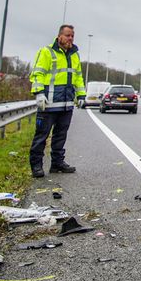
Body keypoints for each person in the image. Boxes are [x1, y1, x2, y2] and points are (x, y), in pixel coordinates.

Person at [28, 24, 87, 178]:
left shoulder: (74, 55)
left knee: (61, 135)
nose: (70, 38)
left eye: (72, 35)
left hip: (66, 104)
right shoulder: (47, 52)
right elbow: (37, 74)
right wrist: (39, 93)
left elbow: (78, 76)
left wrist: (81, 95)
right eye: (67, 35)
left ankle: (57, 163)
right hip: (48, 103)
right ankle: (36, 166)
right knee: (42, 136)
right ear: (59, 36)